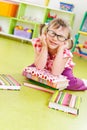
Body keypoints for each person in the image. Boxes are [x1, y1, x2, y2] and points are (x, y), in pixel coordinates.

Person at [31, 18, 87, 91]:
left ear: (65, 41)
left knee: (70, 83)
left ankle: (83, 82)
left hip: (62, 69)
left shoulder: (65, 52)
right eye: (52, 33)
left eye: (60, 37)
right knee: (30, 71)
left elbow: (56, 72)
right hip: (44, 63)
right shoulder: (40, 43)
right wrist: (44, 46)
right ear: (45, 33)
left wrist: (61, 49)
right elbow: (39, 66)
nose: (54, 38)